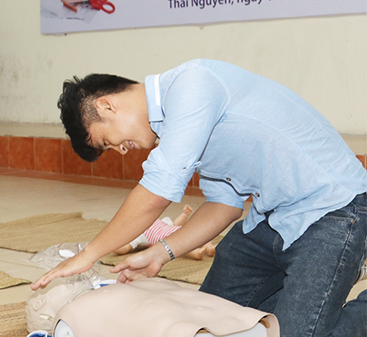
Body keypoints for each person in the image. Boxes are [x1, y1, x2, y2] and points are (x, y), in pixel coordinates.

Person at [32, 59, 367, 337]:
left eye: (108, 141)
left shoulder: (192, 85)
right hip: (273, 219)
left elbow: (157, 193)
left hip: (335, 211)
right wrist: (161, 253)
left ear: (106, 105)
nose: (120, 151)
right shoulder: (179, 126)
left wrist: (88, 255)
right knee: (214, 323)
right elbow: (224, 205)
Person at [113, 204, 215, 261]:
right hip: (169, 240)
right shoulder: (139, 234)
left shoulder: (158, 221)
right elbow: (124, 248)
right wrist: (114, 245)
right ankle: (196, 253)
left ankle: (209, 247)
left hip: (180, 229)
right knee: (182, 243)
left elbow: (174, 224)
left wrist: (184, 215)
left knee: (199, 231)